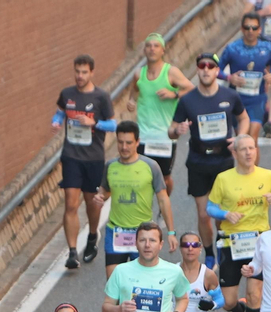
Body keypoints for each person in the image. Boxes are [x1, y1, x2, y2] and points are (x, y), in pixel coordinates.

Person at [208, 134, 271, 312]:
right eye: (244, 149)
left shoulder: (267, 175)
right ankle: (237, 310)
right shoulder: (223, 178)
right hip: (232, 243)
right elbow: (210, 207)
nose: (249, 153)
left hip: (259, 243)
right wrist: (225, 214)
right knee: (229, 301)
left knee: (255, 295)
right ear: (235, 153)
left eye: (252, 148)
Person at [169, 53, 250, 263]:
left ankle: (223, 248)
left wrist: (240, 138)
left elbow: (243, 118)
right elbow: (171, 130)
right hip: (198, 161)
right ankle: (210, 253)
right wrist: (178, 129)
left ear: (216, 71)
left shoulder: (230, 96)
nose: (205, 69)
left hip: (223, 160)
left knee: (221, 214)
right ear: (197, 70)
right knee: (204, 214)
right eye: (202, 66)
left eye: (210, 66)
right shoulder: (188, 100)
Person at [52, 55, 116, 271]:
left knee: (92, 203)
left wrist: (94, 122)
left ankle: (91, 234)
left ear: (92, 73)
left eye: (84, 72)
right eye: (77, 72)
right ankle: (72, 252)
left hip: (94, 158)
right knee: (70, 203)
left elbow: (113, 126)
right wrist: (57, 121)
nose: (80, 76)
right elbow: (61, 111)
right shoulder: (67, 94)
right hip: (71, 156)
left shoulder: (101, 97)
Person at [96, 123, 177, 291]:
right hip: (116, 233)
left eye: (128, 142)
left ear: (137, 142)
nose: (124, 147)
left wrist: (170, 232)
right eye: (120, 142)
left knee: (143, 286)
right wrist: (100, 196)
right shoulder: (110, 166)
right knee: (114, 289)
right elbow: (105, 190)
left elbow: (163, 199)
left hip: (143, 234)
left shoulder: (151, 166)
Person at [131, 32, 192, 181]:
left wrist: (174, 94)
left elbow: (191, 88)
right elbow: (134, 92)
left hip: (165, 136)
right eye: (149, 46)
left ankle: (163, 202)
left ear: (162, 51)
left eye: (156, 46)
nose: (152, 49)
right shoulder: (139, 74)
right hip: (144, 136)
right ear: (144, 50)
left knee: (164, 178)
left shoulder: (170, 72)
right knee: (142, 176)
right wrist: (131, 101)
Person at [222, 12, 271, 135]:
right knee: (241, 139)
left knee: (253, 137)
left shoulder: (266, 48)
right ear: (242, 29)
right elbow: (216, 69)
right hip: (237, 99)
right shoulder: (232, 48)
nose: (250, 31)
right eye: (247, 27)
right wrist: (229, 77)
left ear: (259, 30)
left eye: (254, 28)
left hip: (257, 99)